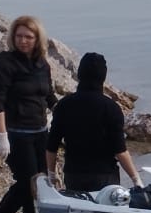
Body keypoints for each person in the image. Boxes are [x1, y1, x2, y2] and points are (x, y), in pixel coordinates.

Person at [0, 15, 57, 213]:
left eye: (28, 36)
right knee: (27, 183)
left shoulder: (42, 65)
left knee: (41, 183)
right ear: (12, 37)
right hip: (16, 133)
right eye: (19, 36)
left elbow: (48, 96)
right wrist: (2, 137)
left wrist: (63, 115)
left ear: (37, 39)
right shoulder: (4, 63)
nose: (23, 41)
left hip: (40, 131)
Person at [46, 52, 142, 195]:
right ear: (103, 77)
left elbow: (51, 145)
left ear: (79, 74)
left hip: (74, 175)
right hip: (104, 177)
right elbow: (120, 151)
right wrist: (136, 179)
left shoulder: (64, 105)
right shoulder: (111, 108)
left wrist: (51, 174)